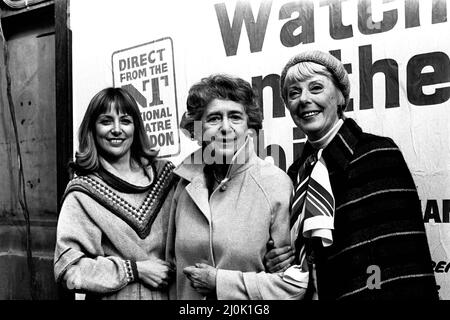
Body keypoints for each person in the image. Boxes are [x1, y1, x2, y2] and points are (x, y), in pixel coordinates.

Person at [265, 50, 439, 300]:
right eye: (294, 93)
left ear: (339, 97)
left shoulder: (377, 153)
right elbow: (306, 255)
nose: (303, 99)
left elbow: (401, 256)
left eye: (315, 88)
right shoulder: (296, 173)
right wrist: (282, 259)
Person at [165, 74, 307, 300]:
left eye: (235, 117)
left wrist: (222, 283)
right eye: (213, 118)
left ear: (249, 127)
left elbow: (293, 286)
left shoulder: (276, 184)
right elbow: (171, 270)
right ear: (198, 129)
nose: (225, 128)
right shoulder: (183, 183)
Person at [54, 87, 177, 299]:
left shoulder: (167, 176)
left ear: (136, 128)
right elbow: (70, 270)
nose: (117, 129)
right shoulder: (83, 192)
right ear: (92, 129)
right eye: (106, 121)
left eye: (126, 121)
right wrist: (134, 270)